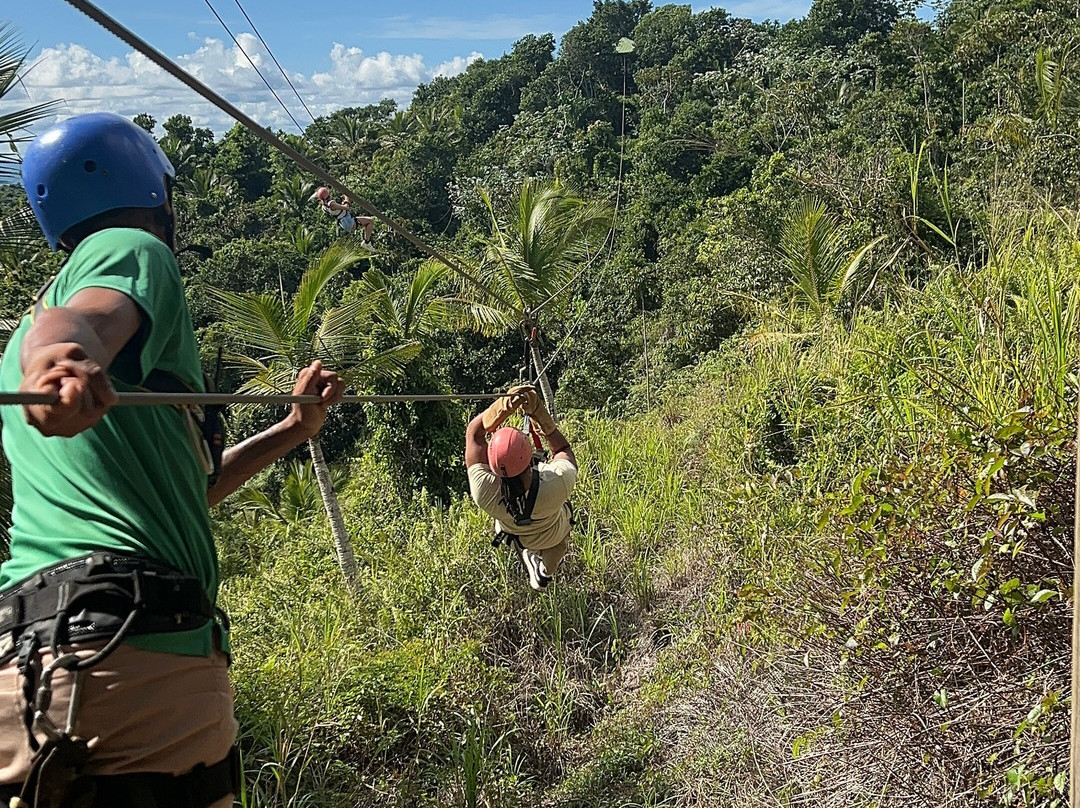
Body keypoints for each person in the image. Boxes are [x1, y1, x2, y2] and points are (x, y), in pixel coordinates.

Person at [0, 112, 345, 807]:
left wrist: (292, 429)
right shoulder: (131, 247)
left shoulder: (24, 344)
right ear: (157, 192)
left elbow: (190, 491)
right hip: (139, 659)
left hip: (26, 669)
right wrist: (63, 357)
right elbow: (81, 323)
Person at [464, 385, 578, 590]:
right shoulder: (556, 484)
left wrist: (501, 408)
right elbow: (563, 450)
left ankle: (533, 561)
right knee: (560, 543)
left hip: (514, 536)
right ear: (529, 457)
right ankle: (544, 572)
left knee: (511, 529)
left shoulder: (483, 491)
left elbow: (474, 434)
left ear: (491, 462)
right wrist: (540, 416)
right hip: (553, 533)